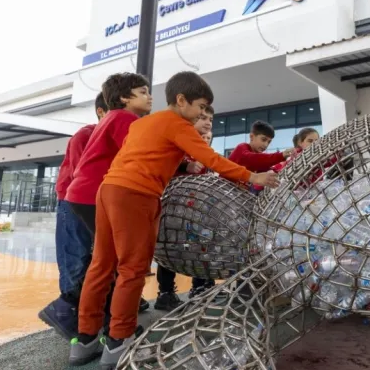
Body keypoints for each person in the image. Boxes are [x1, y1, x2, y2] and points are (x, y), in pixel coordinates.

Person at [68, 71, 278, 368]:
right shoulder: (179, 124)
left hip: (108, 189)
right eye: (201, 107)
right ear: (182, 101)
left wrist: (179, 165)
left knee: (101, 265)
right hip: (135, 195)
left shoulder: (146, 123)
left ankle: (85, 338)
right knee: (132, 268)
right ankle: (119, 340)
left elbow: (144, 155)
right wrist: (252, 175)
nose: (203, 114)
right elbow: (212, 159)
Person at [64, 73, 153, 322]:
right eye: (143, 92)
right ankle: (106, 319)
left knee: (104, 260)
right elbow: (140, 152)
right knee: (115, 262)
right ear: (124, 97)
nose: (150, 96)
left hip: (83, 195)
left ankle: (90, 321)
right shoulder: (124, 118)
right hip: (96, 194)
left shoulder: (111, 118)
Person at [38, 93, 107, 341]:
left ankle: (92, 314)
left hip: (100, 203)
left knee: (95, 259)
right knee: (74, 257)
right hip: (73, 201)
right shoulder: (85, 135)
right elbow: (83, 175)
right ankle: (67, 315)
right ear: (101, 112)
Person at [154, 108, 215, 312]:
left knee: (201, 245)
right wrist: (185, 165)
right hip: (173, 206)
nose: (207, 123)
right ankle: (166, 292)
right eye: (202, 118)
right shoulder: (177, 144)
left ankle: (199, 286)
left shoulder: (203, 153)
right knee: (169, 248)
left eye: (210, 120)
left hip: (196, 209)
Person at [229, 120, 293, 193]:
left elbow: (269, 170)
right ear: (252, 136)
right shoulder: (242, 148)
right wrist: (281, 155)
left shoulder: (258, 161)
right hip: (223, 192)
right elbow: (253, 159)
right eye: (263, 139)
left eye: (269, 142)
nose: (266, 145)